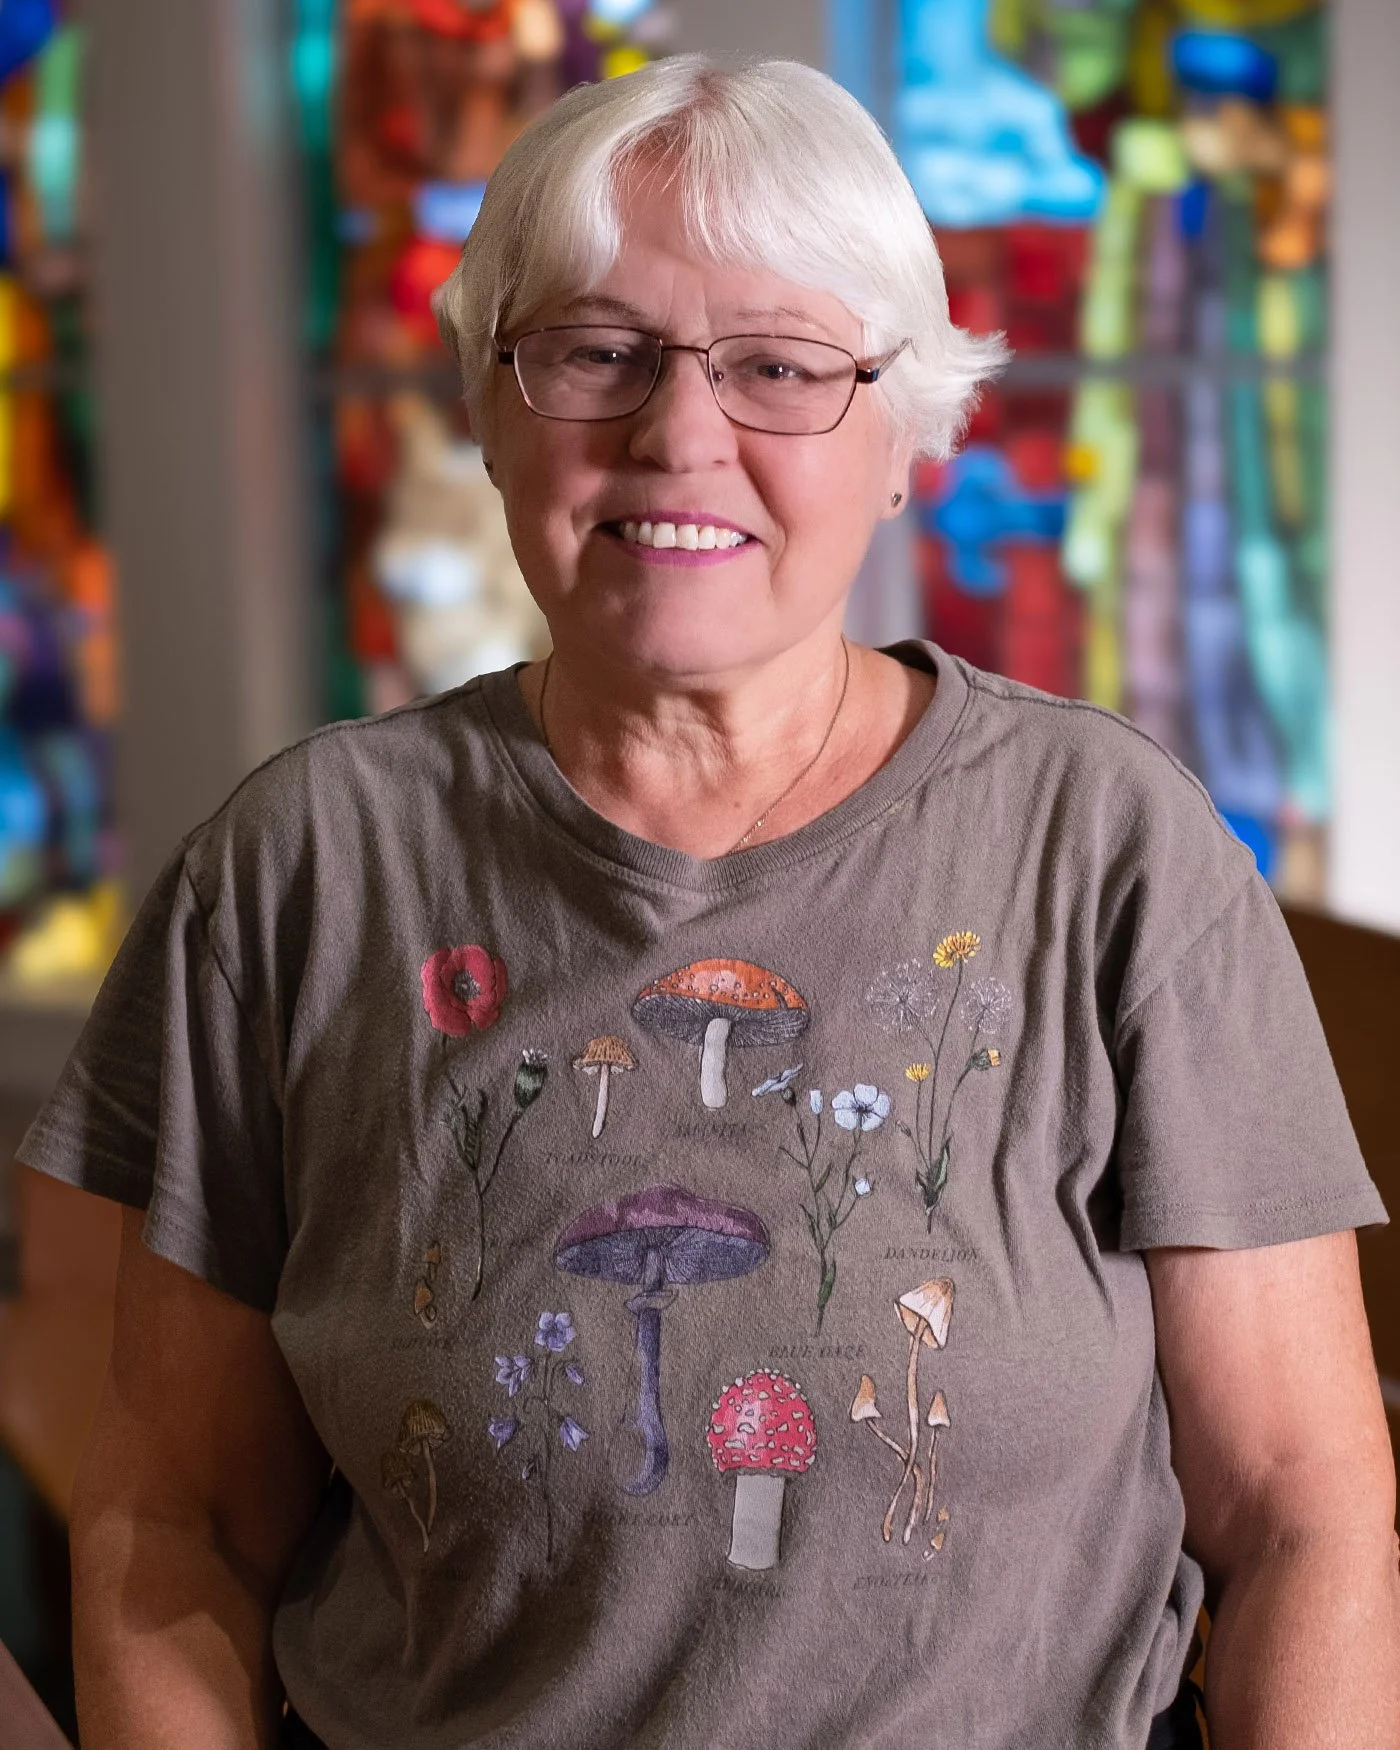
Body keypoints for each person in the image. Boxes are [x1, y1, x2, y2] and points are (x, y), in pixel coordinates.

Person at [17, 54, 1398, 1750]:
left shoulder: (1113, 846)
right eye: (597, 352)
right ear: (490, 401)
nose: (680, 434)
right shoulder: (299, 870)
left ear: (904, 433)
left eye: (778, 367)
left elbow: (1302, 1514)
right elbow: (179, 1525)